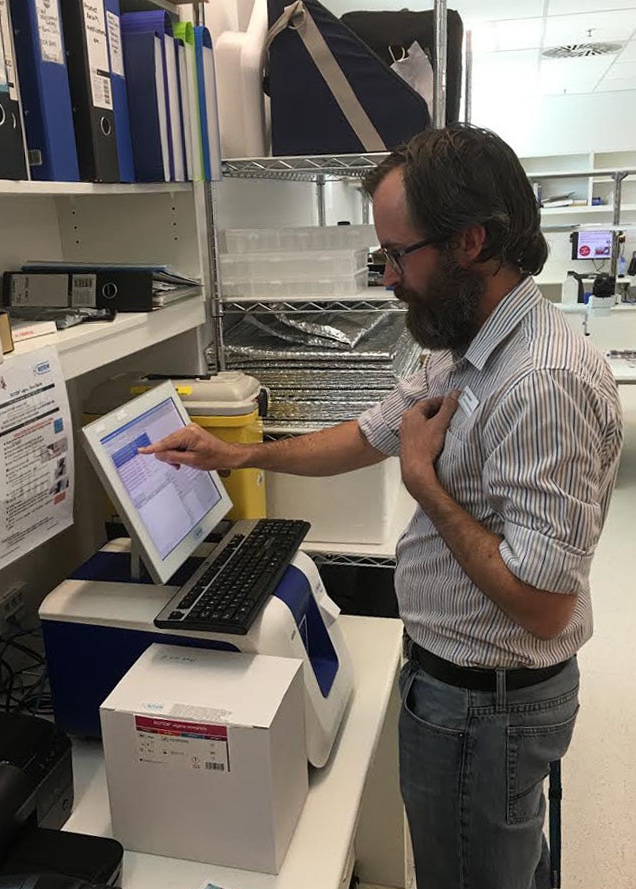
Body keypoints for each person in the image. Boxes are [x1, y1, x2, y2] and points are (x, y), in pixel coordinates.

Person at [139, 124, 623, 889]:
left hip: (484, 709)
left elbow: (541, 606)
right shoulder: (461, 342)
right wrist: (241, 453)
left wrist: (425, 484)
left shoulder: (540, 384)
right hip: (457, 688)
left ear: (472, 243)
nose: (388, 278)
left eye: (399, 256)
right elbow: (372, 434)